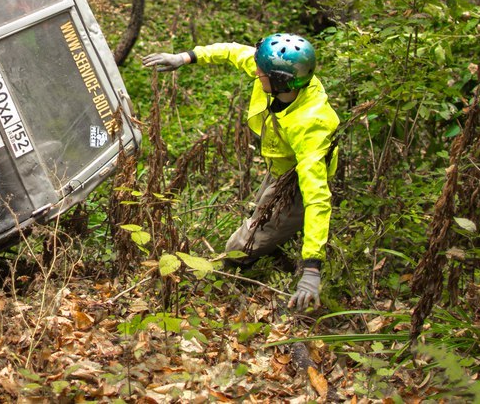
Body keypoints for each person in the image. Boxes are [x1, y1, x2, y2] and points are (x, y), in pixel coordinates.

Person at [142, 33, 339, 311]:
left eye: (261, 71)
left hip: (295, 180)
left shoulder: (310, 124)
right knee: (262, 215)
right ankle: (275, 248)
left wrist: (312, 269)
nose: (255, 71)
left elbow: (317, 197)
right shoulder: (278, 77)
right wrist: (186, 57)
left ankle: (225, 275)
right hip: (279, 165)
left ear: (280, 79)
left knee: (241, 243)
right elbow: (233, 52)